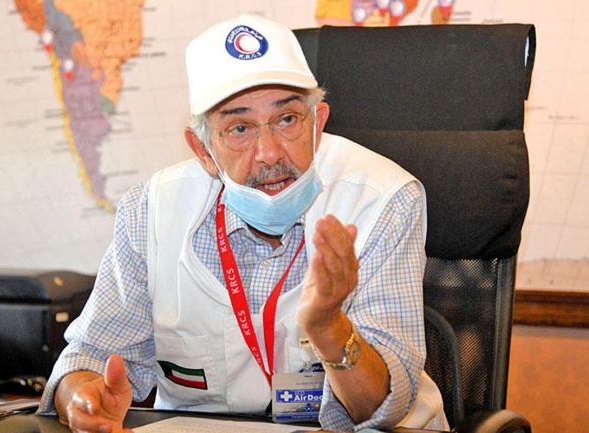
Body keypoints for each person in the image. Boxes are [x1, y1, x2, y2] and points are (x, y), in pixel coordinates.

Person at [37, 14, 448, 433]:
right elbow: (87, 358)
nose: (269, 153)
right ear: (202, 149)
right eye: (239, 128)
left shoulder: (384, 199)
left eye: (287, 120)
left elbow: (379, 410)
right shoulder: (151, 212)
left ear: (317, 123)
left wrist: (329, 328)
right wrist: (84, 399)